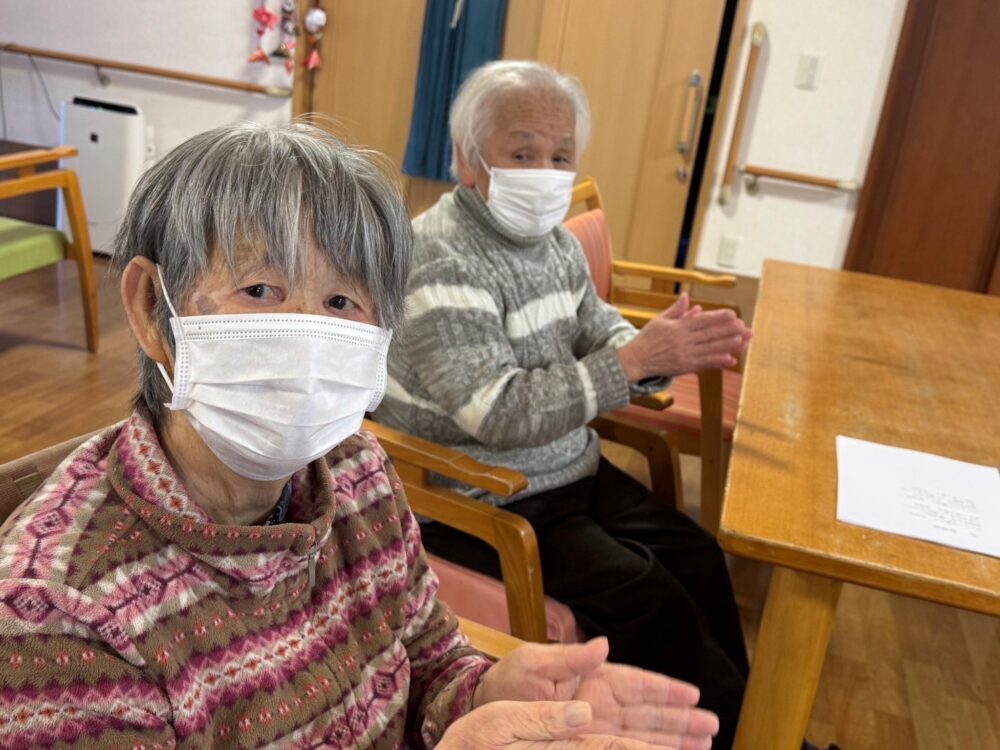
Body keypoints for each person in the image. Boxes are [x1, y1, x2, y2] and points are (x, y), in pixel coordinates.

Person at [0, 122, 720, 750]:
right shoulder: (64, 617)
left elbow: (430, 662)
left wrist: (485, 694)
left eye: (343, 300)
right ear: (152, 313)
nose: (310, 334)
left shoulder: (353, 469)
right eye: (261, 289)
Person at [373, 61, 752, 749]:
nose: (546, 172)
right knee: (650, 596)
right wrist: (636, 362)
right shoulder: (441, 257)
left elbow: (596, 323)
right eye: (523, 153)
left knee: (696, 553)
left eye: (560, 155)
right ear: (468, 159)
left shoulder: (553, 242)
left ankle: (754, 723)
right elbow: (498, 412)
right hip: (480, 491)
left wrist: (648, 346)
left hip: (563, 467)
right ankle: (728, 737)